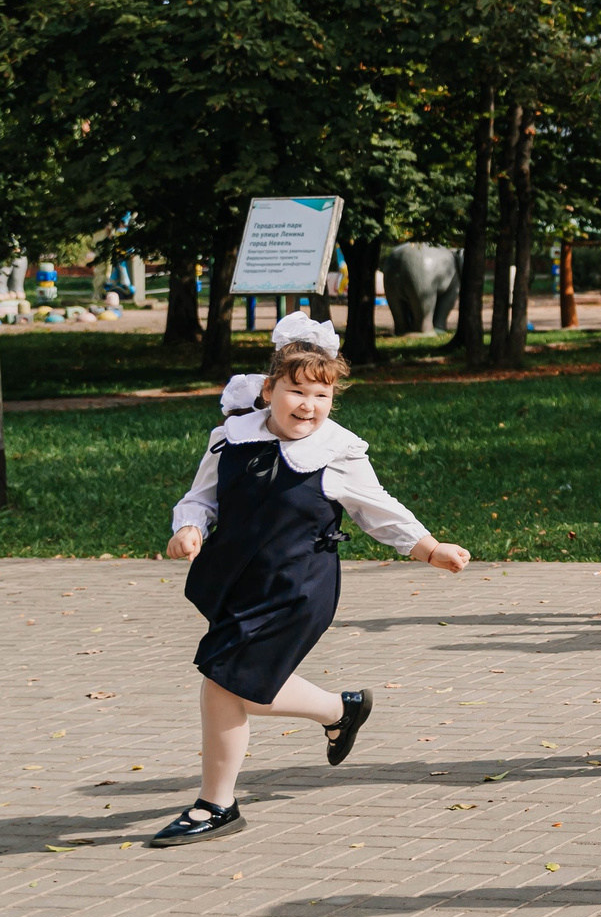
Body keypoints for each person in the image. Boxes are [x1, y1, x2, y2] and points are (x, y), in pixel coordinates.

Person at [156, 329, 471, 847]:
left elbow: (379, 509)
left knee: (224, 684)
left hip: (299, 585)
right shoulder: (230, 438)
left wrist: (428, 547)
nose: (308, 405)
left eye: (321, 395)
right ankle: (339, 710)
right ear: (268, 390)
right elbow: (201, 497)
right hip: (238, 579)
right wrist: (188, 527)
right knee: (236, 686)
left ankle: (216, 804)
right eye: (296, 391)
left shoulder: (337, 453)